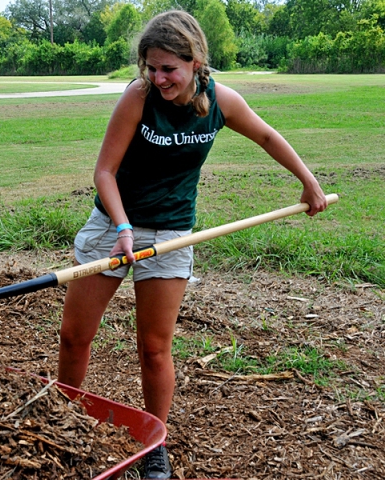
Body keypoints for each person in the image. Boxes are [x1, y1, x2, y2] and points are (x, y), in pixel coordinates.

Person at [57, 9, 328, 479]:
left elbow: (265, 134)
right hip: (113, 225)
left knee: (155, 348)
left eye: (169, 68)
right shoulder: (138, 98)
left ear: (196, 61)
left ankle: (153, 443)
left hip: (172, 233)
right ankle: (60, 419)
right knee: (75, 336)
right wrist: (122, 229)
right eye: (151, 67)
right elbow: (104, 172)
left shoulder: (220, 100)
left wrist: (308, 182)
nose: (159, 78)